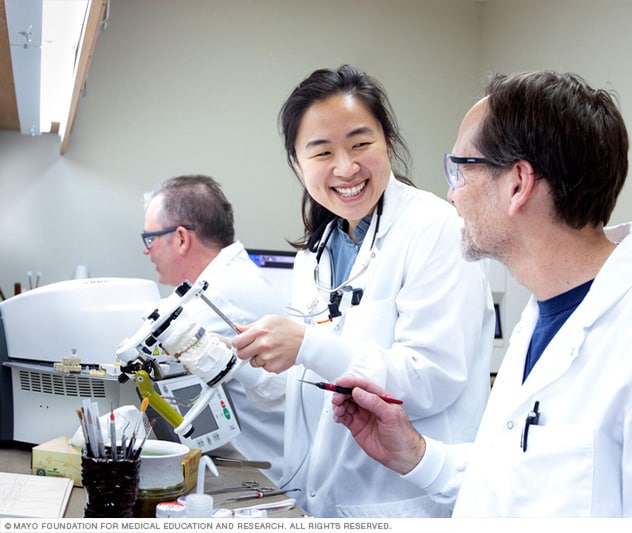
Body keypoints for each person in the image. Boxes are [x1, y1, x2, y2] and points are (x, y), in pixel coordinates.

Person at [332, 71, 632, 517]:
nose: (452, 195)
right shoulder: (543, 314)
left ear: (517, 184)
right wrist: (413, 453)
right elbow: (516, 472)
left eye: (460, 170)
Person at [231, 65, 496, 517]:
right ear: (297, 164)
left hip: (403, 505)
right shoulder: (314, 256)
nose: (346, 167)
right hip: (322, 500)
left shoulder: (435, 231)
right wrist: (234, 358)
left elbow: (432, 377)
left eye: (360, 143)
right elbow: (304, 385)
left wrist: (308, 344)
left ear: (388, 142)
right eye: (321, 152)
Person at [142, 174, 287, 483]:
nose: (147, 250)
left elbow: (146, 350)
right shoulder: (218, 283)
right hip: (260, 463)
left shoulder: (215, 299)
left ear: (181, 238)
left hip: (272, 475)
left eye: (150, 239)